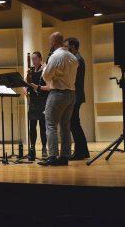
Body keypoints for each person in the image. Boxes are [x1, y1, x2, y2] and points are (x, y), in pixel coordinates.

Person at [38, 32, 78, 166]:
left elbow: (46, 78)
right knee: (65, 126)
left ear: (54, 42)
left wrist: (44, 68)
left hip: (58, 94)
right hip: (71, 94)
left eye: (50, 42)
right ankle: (65, 156)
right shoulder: (73, 57)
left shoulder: (55, 56)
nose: (50, 44)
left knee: (50, 125)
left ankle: (53, 156)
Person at [65, 37, 90, 160]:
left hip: (76, 96)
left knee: (74, 124)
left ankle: (80, 152)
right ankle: (83, 151)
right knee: (75, 124)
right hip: (77, 95)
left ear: (73, 47)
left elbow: (72, 79)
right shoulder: (77, 58)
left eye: (67, 46)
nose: (65, 49)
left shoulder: (77, 60)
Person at [25, 51, 49, 160]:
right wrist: (25, 90)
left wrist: (36, 86)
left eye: (35, 59)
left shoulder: (44, 70)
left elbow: (48, 87)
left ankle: (44, 147)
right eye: (32, 59)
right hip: (33, 101)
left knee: (43, 126)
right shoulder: (30, 71)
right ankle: (32, 148)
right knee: (32, 126)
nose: (33, 61)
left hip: (43, 100)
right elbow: (25, 84)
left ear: (40, 59)